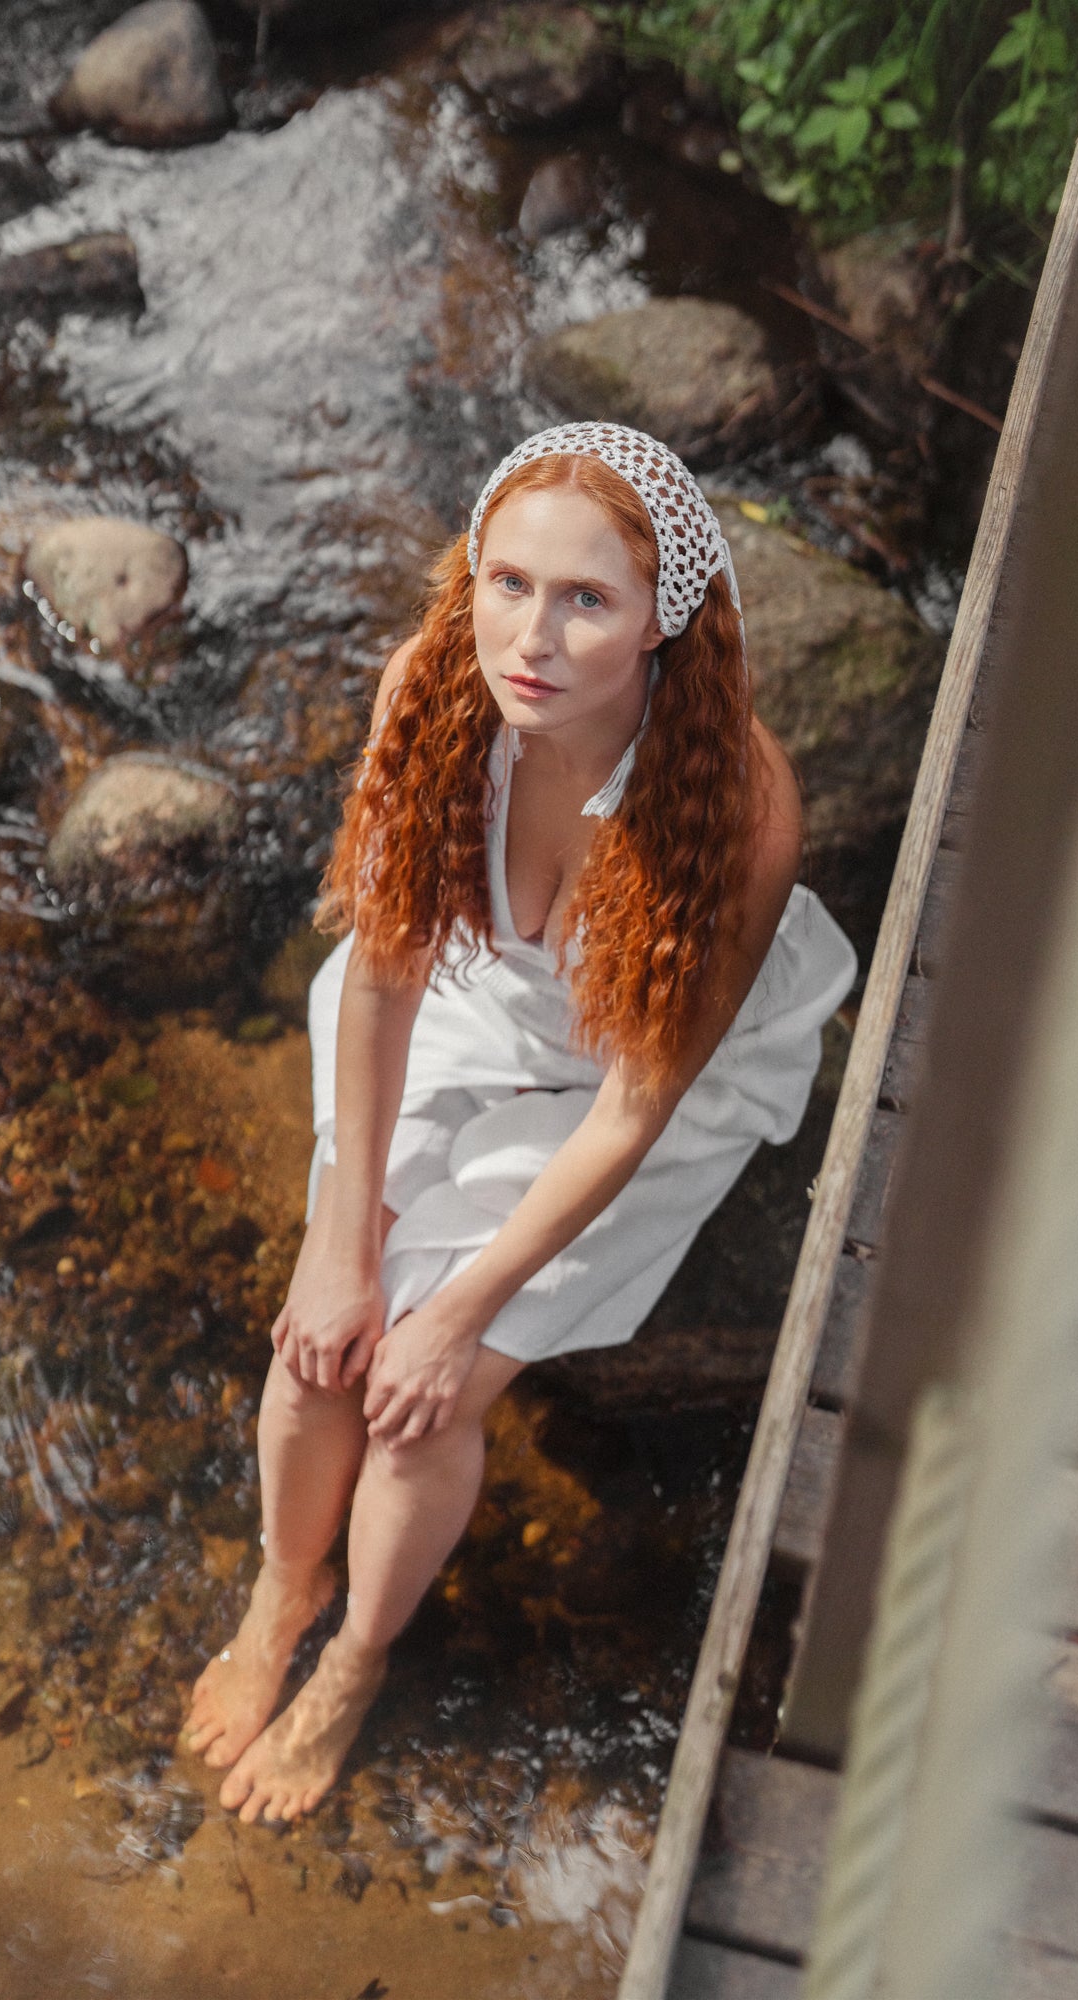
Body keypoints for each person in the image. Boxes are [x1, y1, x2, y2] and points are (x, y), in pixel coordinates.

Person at [181, 421, 856, 1824]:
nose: (530, 637)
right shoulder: (430, 691)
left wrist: (459, 1308)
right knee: (319, 1348)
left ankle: (356, 1660)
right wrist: (340, 1239)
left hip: (635, 1067)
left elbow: (634, 1104)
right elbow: (379, 972)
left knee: (424, 1401)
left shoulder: (733, 809)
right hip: (470, 1005)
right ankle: (281, 1587)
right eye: (507, 583)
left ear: (662, 625)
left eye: (585, 599)